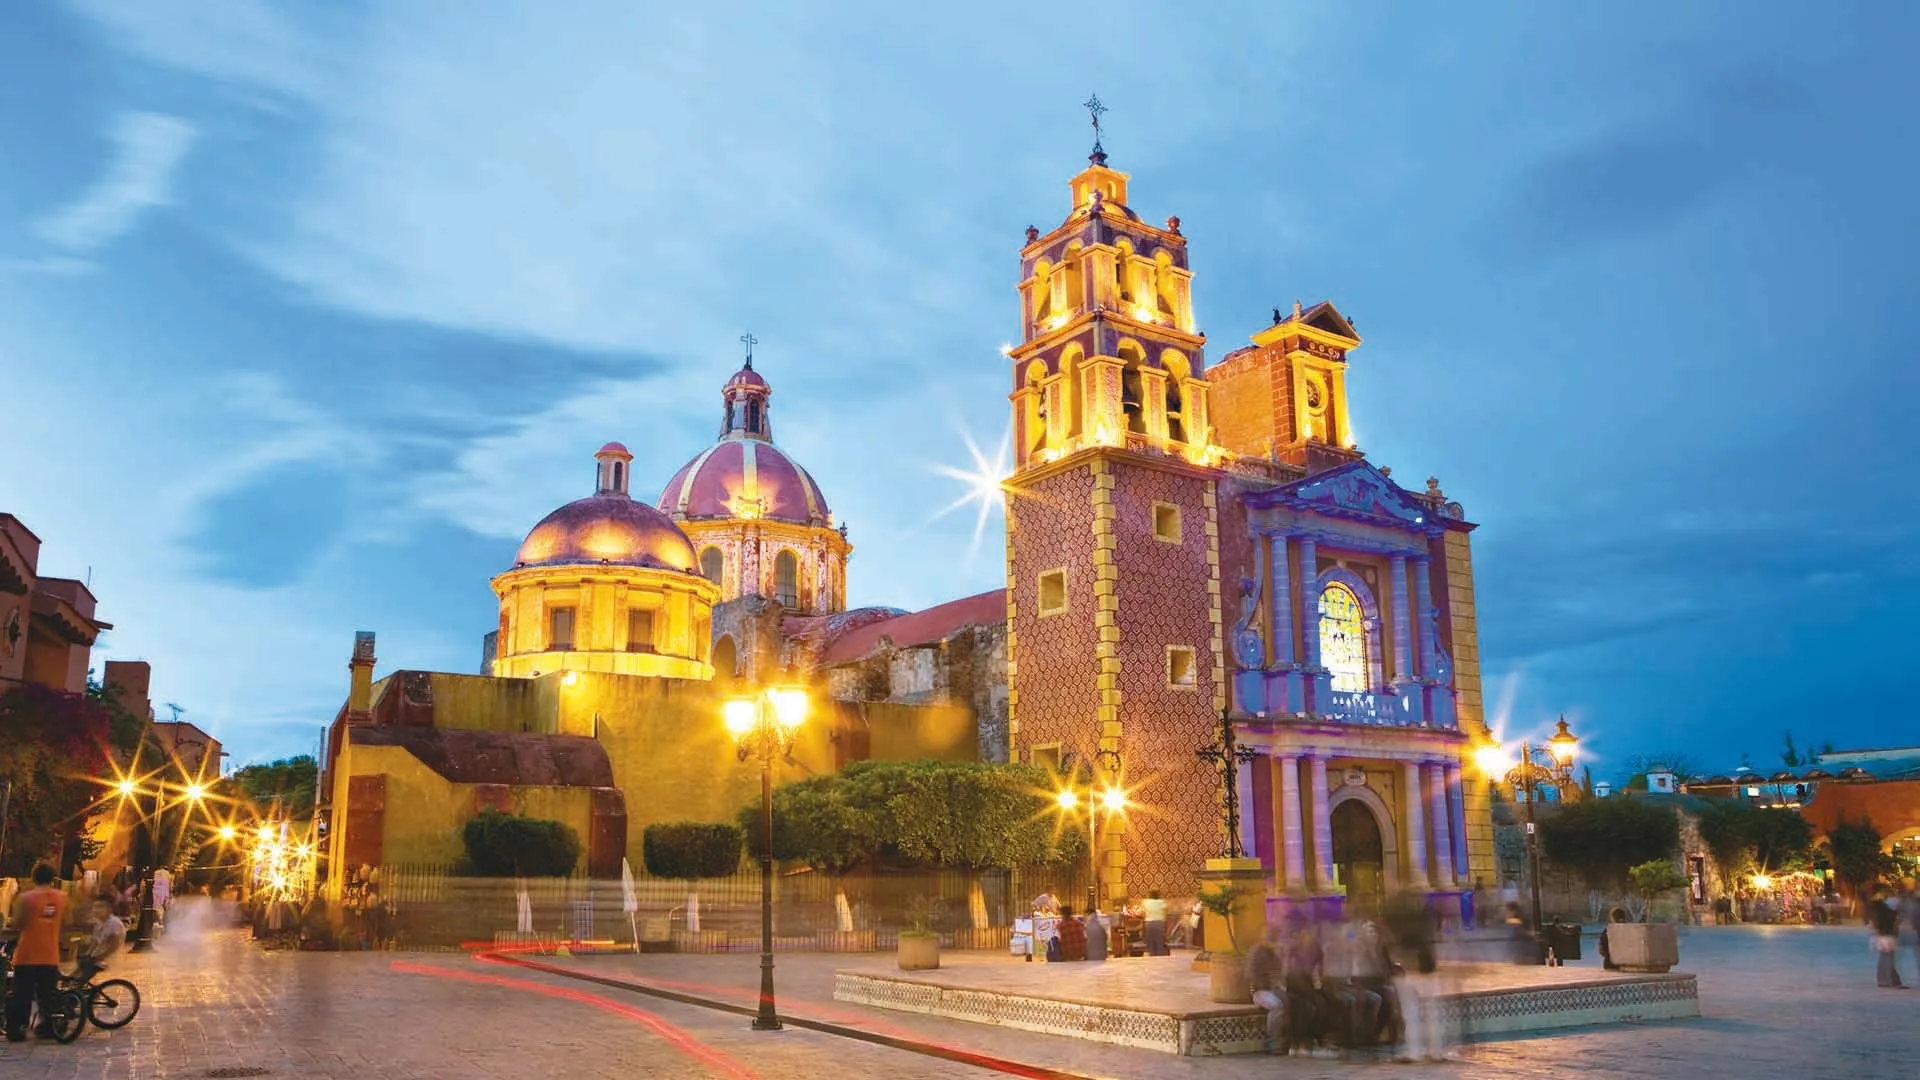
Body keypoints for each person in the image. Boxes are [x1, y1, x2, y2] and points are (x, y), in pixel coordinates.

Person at [5, 864, 68, 1042]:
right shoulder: (62, 897)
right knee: (47, 993)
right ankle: (49, 1027)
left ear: (33, 877)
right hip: (50, 954)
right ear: (52, 877)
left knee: (22, 994)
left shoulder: (27, 898)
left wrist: (8, 927)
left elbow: (18, 923)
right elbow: (66, 921)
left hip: (27, 955)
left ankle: (18, 1029)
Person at [1244, 924, 1286, 1051]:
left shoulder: (1275, 954)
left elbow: (1280, 973)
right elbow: (1250, 975)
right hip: (1259, 992)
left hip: (1275, 989)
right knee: (1277, 1006)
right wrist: (1267, 985)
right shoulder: (1256, 952)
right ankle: (1271, 1041)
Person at [76, 900, 126, 983]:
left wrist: (97, 958)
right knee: (79, 968)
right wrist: (88, 954)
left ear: (109, 909)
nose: (96, 910)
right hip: (97, 957)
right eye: (94, 907)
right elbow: (96, 942)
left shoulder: (113, 923)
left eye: (100, 907)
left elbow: (114, 946)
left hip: (105, 959)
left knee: (82, 975)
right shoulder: (99, 923)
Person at [1869, 888, 1903, 988]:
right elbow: (1888, 918)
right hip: (1887, 934)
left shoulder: (1875, 906)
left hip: (1882, 934)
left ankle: (1884, 980)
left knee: (1884, 957)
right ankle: (1889, 981)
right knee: (1888, 958)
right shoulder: (1881, 907)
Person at [1598, 907, 1629, 971]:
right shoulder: (1629, 930)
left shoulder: (1608, 930)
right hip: (1626, 963)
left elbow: (1602, 946)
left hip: (1610, 962)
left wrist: (1607, 955)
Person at [1142, 890, 1169, 956]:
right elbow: (1166, 913)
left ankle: (1152, 959)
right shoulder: (1162, 902)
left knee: (1151, 944)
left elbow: (1143, 913)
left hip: (1149, 924)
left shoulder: (1146, 902)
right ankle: (1160, 960)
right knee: (1160, 944)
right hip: (1159, 923)